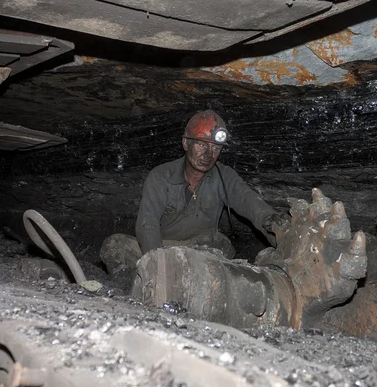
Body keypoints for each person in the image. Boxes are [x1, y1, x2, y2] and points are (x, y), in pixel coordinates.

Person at [100, 110, 289, 282]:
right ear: (185, 143)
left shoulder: (224, 176)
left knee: (222, 243)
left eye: (216, 148)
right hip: (161, 247)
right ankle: (129, 287)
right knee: (114, 245)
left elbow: (248, 201)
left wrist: (270, 220)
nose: (208, 154)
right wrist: (158, 263)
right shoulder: (161, 176)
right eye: (201, 144)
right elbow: (147, 223)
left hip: (200, 248)